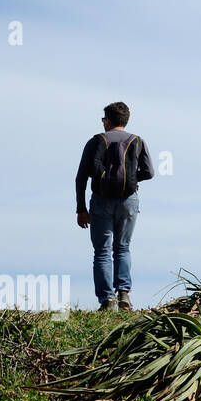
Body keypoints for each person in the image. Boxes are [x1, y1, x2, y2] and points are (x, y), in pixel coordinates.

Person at [76, 102, 155, 311]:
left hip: (101, 200)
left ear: (108, 121)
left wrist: (81, 208)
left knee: (102, 251)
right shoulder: (137, 141)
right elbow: (149, 172)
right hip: (129, 200)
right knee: (123, 247)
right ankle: (124, 295)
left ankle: (107, 300)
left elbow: (81, 177)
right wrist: (130, 178)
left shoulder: (95, 141)